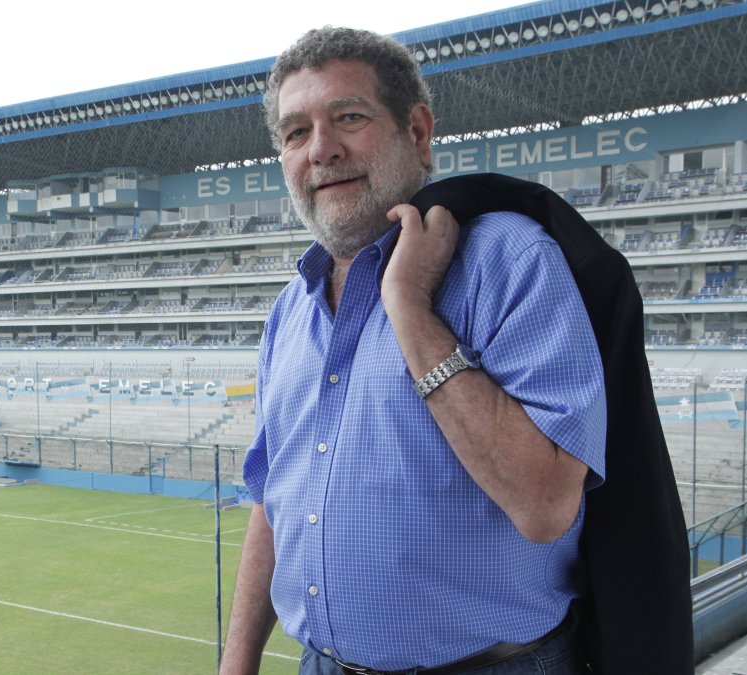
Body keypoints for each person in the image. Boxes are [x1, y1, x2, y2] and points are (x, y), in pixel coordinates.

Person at [221, 27, 686, 674]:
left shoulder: (509, 257)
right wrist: (238, 661)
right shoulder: (289, 310)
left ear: (417, 132)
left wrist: (410, 309)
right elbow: (274, 500)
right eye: (296, 132)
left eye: (348, 117)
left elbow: (545, 506)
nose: (321, 149)